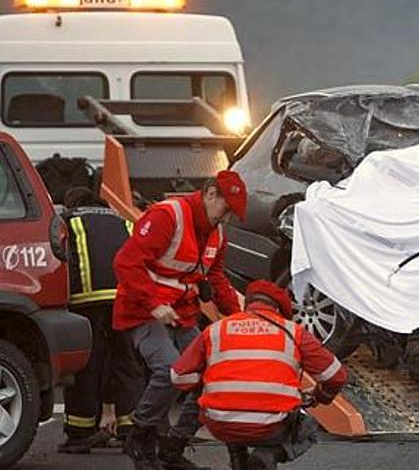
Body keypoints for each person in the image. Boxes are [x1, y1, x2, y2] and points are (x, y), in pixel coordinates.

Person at [113, 170, 248, 470]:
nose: (225, 220)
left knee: (209, 376)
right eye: (226, 211)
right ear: (210, 194)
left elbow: (215, 276)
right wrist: (153, 303)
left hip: (182, 314)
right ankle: (141, 437)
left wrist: (240, 318)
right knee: (170, 370)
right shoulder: (168, 216)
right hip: (142, 311)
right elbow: (126, 262)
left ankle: (173, 446)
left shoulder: (216, 233)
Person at [171, 280, 348, 470]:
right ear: (280, 310)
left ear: (248, 304)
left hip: (220, 424)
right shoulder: (294, 332)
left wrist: (207, 383)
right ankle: (268, 455)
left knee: (228, 401)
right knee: (309, 428)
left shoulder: (216, 329)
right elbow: (336, 376)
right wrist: (320, 396)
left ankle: (233, 461)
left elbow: (177, 376)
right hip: (269, 428)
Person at [57, 187, 141, 453]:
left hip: (86, 298)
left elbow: (60, 257)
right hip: (124, 296)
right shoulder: (122, 220)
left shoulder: (68, 220)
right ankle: (129, 430)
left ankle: (81, 434)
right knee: (127, 361)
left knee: (86, 363)